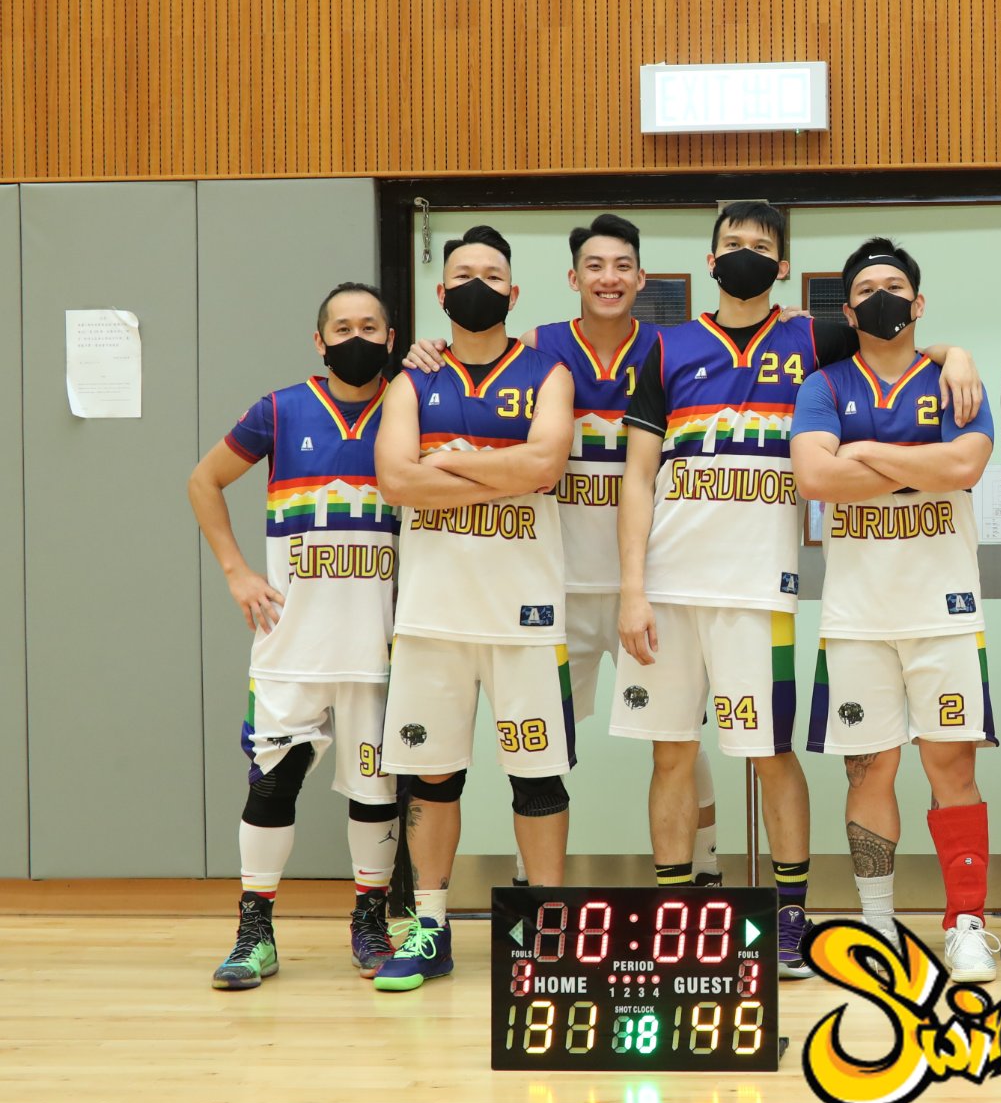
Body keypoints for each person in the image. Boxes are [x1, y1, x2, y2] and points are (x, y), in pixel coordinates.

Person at [617, 201, 983, 978]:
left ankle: (790, 918)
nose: (745, 253)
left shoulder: (814, 339)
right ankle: (678, 916)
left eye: (760, 245)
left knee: (772, 752)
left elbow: (898, 341)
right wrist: (631, 588)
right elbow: (638, 476)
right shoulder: (664, 346)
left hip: (762, 586)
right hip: (669, 584)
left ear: (782, 265)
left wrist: (957, 354)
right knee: (670, 754)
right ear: (711, 258)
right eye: (732, 243)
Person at [404, 213, 723, 889]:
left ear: (641, 278)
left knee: (678, 739)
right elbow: (473, 358)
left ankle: (702, 872)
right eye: (595, 267)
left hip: (648, 582)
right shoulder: (538, 349)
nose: (609, 278)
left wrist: (947, 354)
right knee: (539, 751)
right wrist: (424, 350)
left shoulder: (670, 351)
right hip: (556, 586)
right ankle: (533, 886)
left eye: (622, 266)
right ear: (573, 279)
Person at [790, 238, 1001, 981]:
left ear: (918, 303)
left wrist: (862, 454)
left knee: (951, 768)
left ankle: (966, 925)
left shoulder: (954, 379)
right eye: (866, 290)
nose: (882, 297)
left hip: (945, 610)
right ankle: (876, 926)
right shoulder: (823, 385)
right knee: (868, 771)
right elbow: (816, 479)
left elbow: (966, 465)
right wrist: (919, 467)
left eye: (895, 286)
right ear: (849, 312)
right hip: (856, 615)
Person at [372, 225, 575, 992]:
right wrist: (501, 469)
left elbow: (546, 464)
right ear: (441, 291)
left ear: (514, 293)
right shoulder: (412, 380)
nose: (478, 284)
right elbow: (396, 480)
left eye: (492, 274)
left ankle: (547, 930)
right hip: (432, 617)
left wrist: (449, 461)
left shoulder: (547, 372)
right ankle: (430, 926)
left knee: (538, 779)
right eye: (464, 274)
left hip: (526, 616)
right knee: (433, 781)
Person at [187, 282, 402, 988]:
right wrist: (237, 572)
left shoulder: (409, 407)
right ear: (319, 341)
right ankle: (254, 931)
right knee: (273, 785)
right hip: (292, 642)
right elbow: (204, 480)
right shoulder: (279, 410)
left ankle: (370, 921)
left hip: (381, 645)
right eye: (342, 327)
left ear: (390, 337)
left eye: (368, 325)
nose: (355, 337)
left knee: (376, 791)